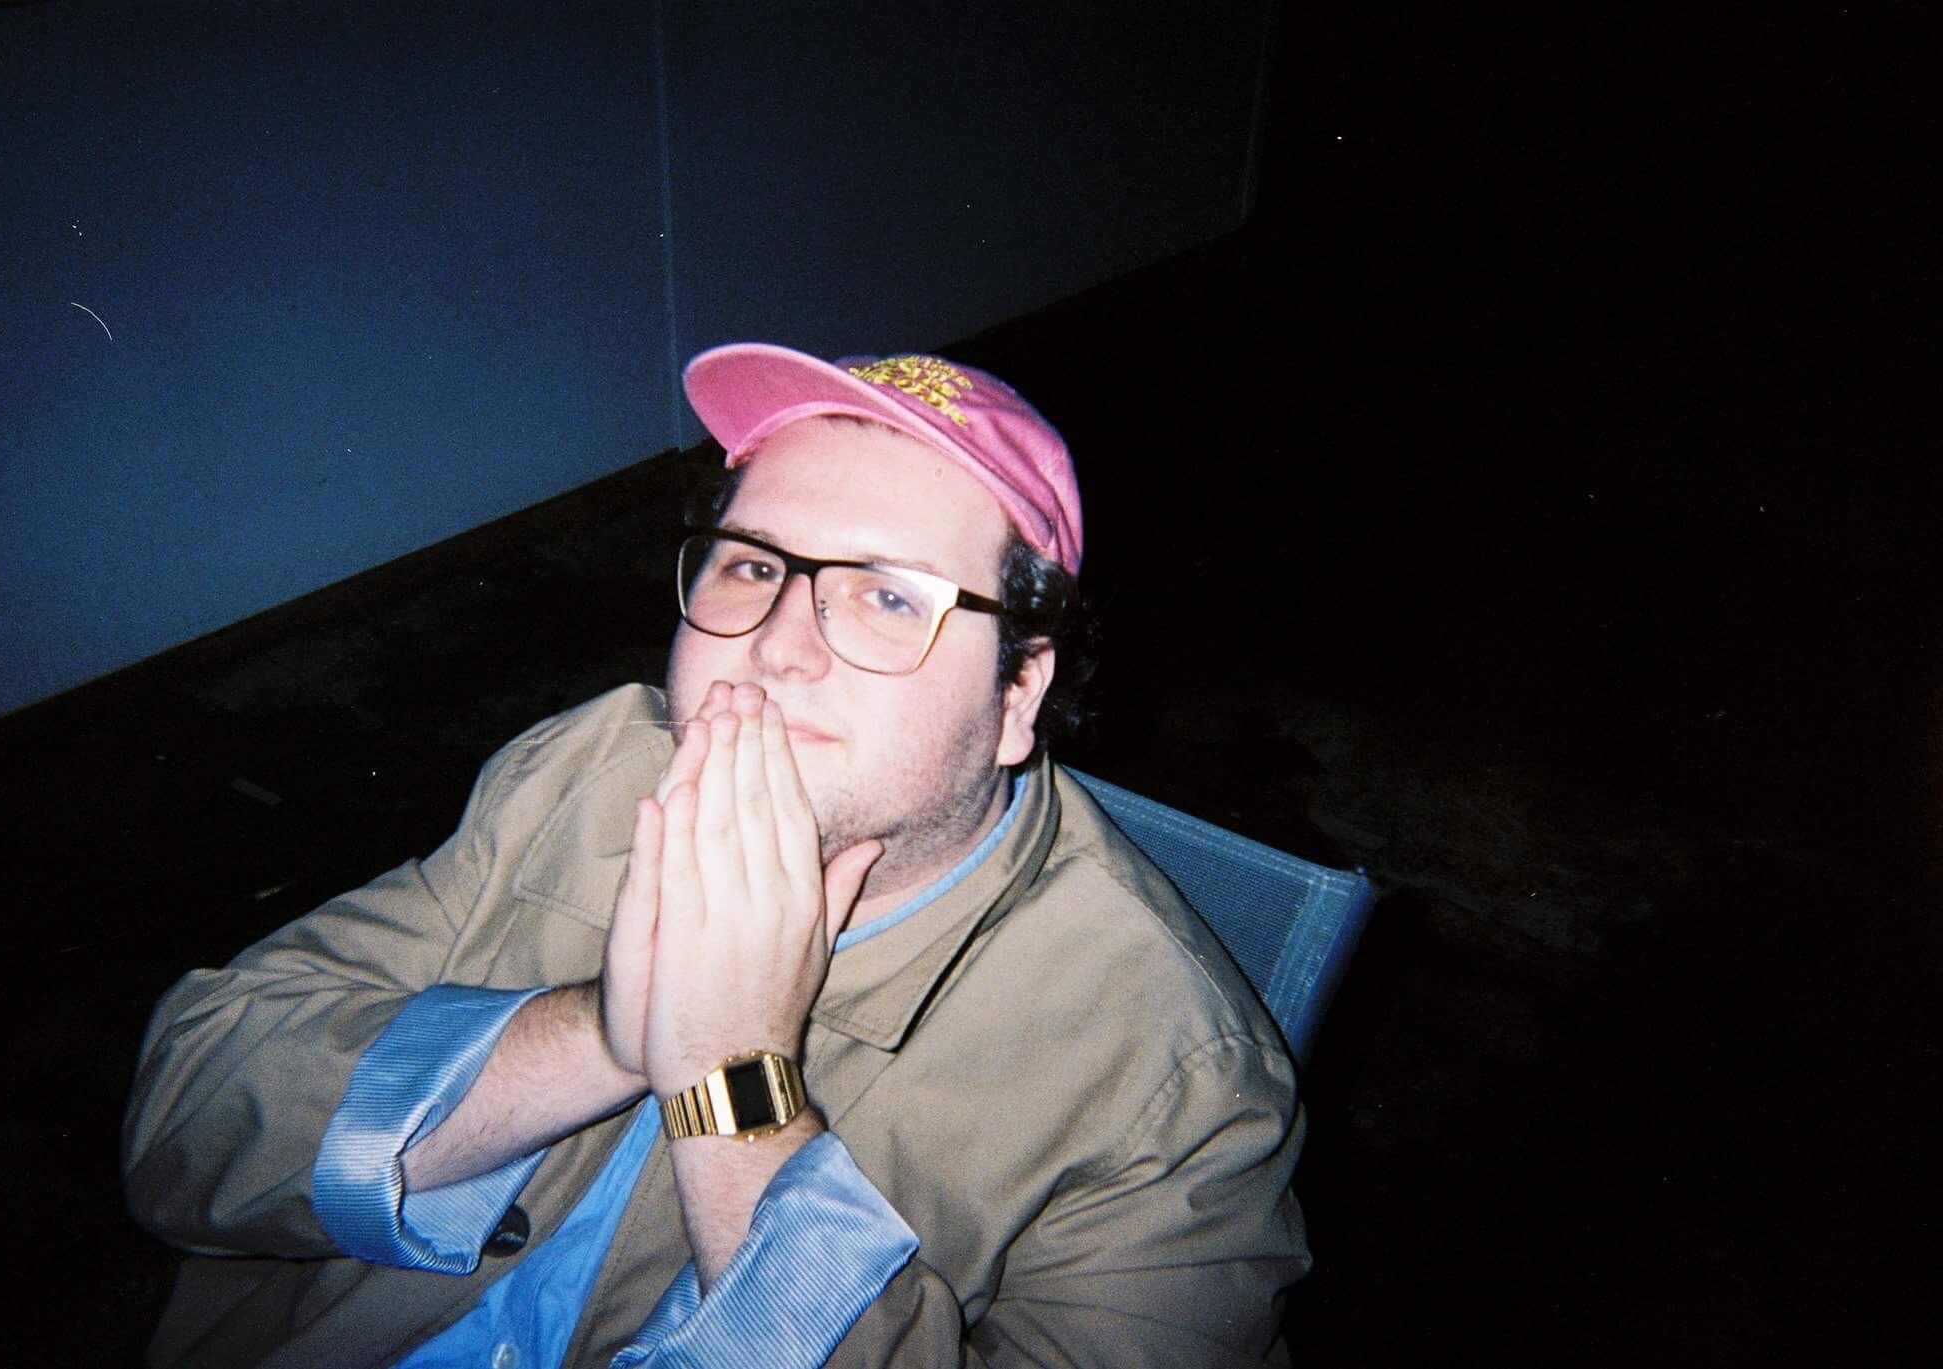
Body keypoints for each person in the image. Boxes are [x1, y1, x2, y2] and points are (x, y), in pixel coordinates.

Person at [124, 343, 1310, 1367]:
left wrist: (729, 1084)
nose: (777, 648)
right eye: (752, 565)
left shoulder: (1174, 1080)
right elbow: (184, 1122)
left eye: (887, 599)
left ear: (1017, 694)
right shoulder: (595, 764)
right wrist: (602, 1034)